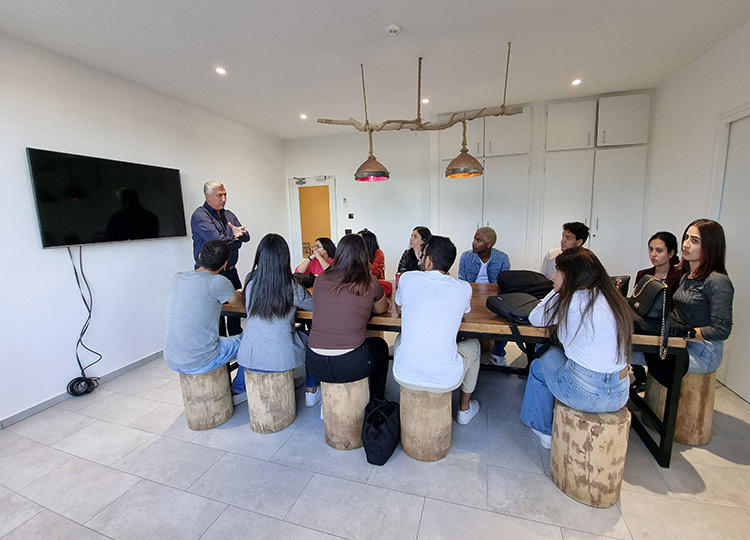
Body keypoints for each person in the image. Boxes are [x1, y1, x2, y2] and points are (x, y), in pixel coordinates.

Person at [520, 247, 634, 449]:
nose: (553, 276)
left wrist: (556, 291)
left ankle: (542, 428)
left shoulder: (570, 300)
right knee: (556, 353)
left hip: (585, 393)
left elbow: (535, 318)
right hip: (620, 392)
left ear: (571, 275)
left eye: (558, 271)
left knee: (538, 365)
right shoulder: (612, 298)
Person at [394, 235, 481, 425]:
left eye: (422, 255)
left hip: (403, 374)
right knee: (474, 344)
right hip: (445, 378)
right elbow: (464, 312)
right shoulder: (463, 288)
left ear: (429, 260)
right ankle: (464, 410)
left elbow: (399, 308)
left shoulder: (408, 279)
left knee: (401, 338)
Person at [632, 219, 734, 378]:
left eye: (695, 241)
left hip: (703, 352)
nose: (686, 244)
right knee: (624, 349)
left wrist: (681, 332)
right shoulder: (686, 276)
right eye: (686, 238)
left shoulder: (717, 281)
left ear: (710, 246)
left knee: (626, 354)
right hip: (680, 343)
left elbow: (721, 329)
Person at [306, 234, 390, 404]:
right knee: (380, 346)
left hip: (314, 362)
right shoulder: (370, 281)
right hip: (349, 365)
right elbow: (382, 309)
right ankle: (376, 399)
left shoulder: (321, 279)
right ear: (363, 255)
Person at [164, 240, 247, 405]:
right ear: (224, 264)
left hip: (172, 357)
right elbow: (240, 303)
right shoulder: (217, 282)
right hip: (201, 360)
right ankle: (239, 389)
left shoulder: (177, 278)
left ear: (200, 256)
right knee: (253, 340)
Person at [237, 233, 313, 381]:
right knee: (315, 336)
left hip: (249, 353)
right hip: (280, 357)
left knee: (260, 335)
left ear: (260, 256)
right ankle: (311, 389)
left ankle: (238, 388)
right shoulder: (290, 286)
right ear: (284, 258)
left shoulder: (251, 280)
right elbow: (315, 306)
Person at [191, 181, 250, 337]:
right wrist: (236, 241)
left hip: (230, 270)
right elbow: (218, 241)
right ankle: (220, 350)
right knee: (215, 314)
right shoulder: (200, 215)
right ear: (207, 196)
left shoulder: (229, 214)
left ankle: (237, 343)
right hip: (209, 273)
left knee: (236, 310)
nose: (223, 199)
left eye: (225, 195)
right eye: (219, 195)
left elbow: (247, 236)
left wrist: (239, 237)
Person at [630, 231, 683, 392]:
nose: (653, 254)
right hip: (645, 321)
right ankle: (640, 376)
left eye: (659, 250)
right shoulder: (643, 274)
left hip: (664, 325)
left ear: (671, 253)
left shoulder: (680, 277)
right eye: (651, 249)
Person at [458, 226, 510, 364]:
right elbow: (462, 283)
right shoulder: (466, 257)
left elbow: (503, 286)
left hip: (494, 298)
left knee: (505, 319)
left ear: (489, 244)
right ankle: (461, 349)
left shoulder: (502, 258)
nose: (473, 242)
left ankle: (498, 353)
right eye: (474, 239)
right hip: (471, 296)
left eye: (478, 240)